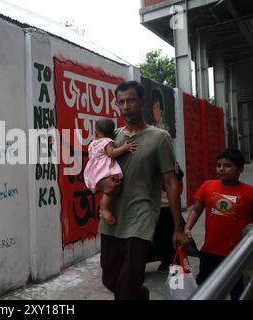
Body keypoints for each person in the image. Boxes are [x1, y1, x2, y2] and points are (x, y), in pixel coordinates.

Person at [98, 80, 189, 300]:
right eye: (121, 102)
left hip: (142, 217)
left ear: (142, 102)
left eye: (131, 100)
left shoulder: (159, 138)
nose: (126, 106)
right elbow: (94, 172)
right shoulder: (112, 138)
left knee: (129, 280)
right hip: (112, 219)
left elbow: (170, 182)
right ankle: (142, 295)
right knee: (110, 279)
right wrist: (102, 185)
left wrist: (178, 227)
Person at [184, 148, 253, 300]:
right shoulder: (208, 186)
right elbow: (197, 208)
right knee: (205, 287)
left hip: (237, 254)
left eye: (228, 165)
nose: (222, 169)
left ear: (240, 169)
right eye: (219, 165)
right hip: (210, 250)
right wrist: (187, 228)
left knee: (238, 291)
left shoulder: (249, 192)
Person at [84, 118, 137, 224]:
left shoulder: (92, 144)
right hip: (104, 172)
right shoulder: (108, 142)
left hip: (94, 173)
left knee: (107, 190)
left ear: (96, 133)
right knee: (111, 190)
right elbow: (112, 153)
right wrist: (124, 147)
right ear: (113, 134)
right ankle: (104, 209)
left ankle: (104, 208)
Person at [147, 162, 199, 273]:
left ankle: (170, 261)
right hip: (148, 206)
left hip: (166, 205)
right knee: (151, 238)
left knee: (168, 236)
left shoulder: (169, 161)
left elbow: (176, 181)